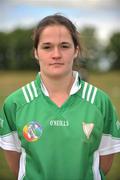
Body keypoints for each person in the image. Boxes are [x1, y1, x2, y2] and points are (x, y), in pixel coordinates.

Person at [0, 14, 120, 180]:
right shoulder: (15, 103)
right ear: (36, 52)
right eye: (47, 47)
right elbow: (17, 167)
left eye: (64, 46)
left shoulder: (100, 102)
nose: (56, 54)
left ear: (76, 50)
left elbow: (104, 165)